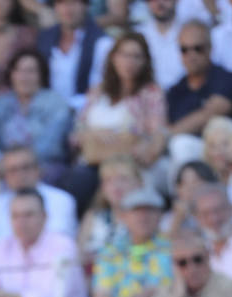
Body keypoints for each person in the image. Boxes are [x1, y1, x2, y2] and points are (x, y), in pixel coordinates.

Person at [66, 31, 166, 214]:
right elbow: (76, 133)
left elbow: (156, 132)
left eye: (137, 56)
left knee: (117, 181)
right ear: (114, 57)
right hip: (92, 161)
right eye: (125, 55)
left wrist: (133, 144)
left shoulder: (150, 92)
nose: (130, 62)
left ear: (145, 61)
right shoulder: (97, 91)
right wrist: (93, 136)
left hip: (128, 162)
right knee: (79, 180)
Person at [0, 50, 72, 189]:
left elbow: (51, 146)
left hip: (43, 167)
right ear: (11, 74)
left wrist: (15, 164)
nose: (23, 77)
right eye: (18, 71)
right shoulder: (2, 104)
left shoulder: (56, 103)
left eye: (30, 71)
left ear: (41, 75)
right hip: (6, 167)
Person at [166, 21, 232, 171]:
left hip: (225, 151)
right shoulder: (175, 91)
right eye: (184, 49)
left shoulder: (225, 78)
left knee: (181, 144)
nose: (191, 55)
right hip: (193, 160)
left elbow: (213, 112)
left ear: (210, 49)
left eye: (198, 48)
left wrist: (167, 135)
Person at [0, 145, 78, 247]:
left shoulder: (61, 200)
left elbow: (57, 240)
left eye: (25, 168)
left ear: (38, 169)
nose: (20, 175)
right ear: (5, 175)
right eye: (13, 170)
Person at [35, 0, 112, 113]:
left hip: (85, 111)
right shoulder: (44, 38)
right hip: (47, 112)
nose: (68, 9)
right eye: (62, 3)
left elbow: (99, 84)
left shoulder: (102, 41)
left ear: (86, 6)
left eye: (74, 2)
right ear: (55, 7)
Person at [76, 154, 141, 268]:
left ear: (138, 183)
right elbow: (78, 257)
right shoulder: (92, 217)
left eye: (123, 179)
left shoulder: (147, 217)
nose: (116, 186)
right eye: (109, 180)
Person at [192, 180, 232, 278]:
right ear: (197, 218)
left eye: (218, 210)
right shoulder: (193, 255)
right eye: (205, 214)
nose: (214, 219)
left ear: (231, 209)